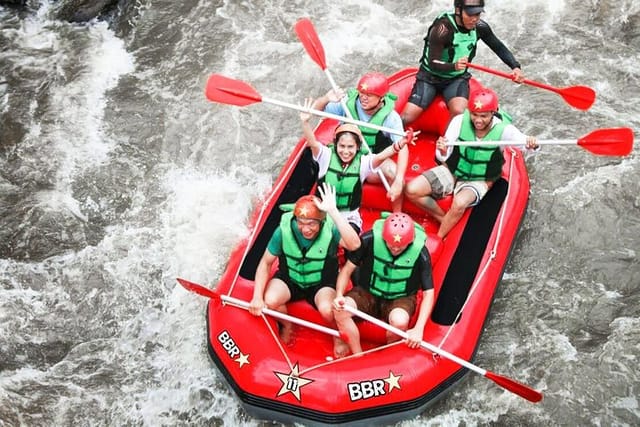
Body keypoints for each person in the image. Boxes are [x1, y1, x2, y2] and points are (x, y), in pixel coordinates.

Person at [404, 88, 538, 239]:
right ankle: (443, 218)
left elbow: (527, 146)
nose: (478, 120)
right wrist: (442, 150)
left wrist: (532, 144)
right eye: (474, 114)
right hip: (453, 170)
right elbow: (443, 155)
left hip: (479, 178)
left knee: (460, 203)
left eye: (483, 116)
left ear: (493, 113)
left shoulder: (505, 131)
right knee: (412, 190)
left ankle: (439, 237)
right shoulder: (459, 121)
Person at [249, 182, 360, 358]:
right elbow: (265, 263)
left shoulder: (330, 228)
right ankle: (287, 325)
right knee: (269, 300)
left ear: (321, 221)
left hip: (322, 283)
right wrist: (256, 297)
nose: (305, 229)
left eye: (311, 224)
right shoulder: (283, 231)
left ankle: (336, 335)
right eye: (301, 222)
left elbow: (354, 245)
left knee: (326, 309)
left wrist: (333, 211)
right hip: (289, 278)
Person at [401, 0, 524, 125]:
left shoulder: (480, 27)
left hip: (456, 78)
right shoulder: (442, 29)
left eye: (477, 15)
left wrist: (515, 66)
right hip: (429, 77)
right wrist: (454, 66)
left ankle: (451, 143)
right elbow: (433, 62)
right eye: (470, 15)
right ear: (458, 11)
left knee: (459, 112)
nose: (474, 19)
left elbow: (498, 47)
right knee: (408, 117)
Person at [300, 98, 412, 233]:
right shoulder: (325, 155)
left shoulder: (363, 162)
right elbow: (312, 142)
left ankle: (396, 213)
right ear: (335, 144)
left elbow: (383, 155)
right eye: (342, 146)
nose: (345, 152)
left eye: (350, 147)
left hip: (348, 215)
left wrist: (401, 143)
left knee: (353, 244)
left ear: (358, 147)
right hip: (324, 209)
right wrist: (305, 122)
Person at [333, 212, 435, 356]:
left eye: (401, 246)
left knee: (399, 321)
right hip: (368, 291)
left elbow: (428, 293)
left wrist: (419, 328)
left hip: (400, 297)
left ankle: (389, 354)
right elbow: (347, 269)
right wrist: (339, 295)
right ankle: (358, 354)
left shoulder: (421, 254)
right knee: (340, 310)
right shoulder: (369, 240)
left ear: (410, 241)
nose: (395, 249)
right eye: (391, 244)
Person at [312, 72, 409, 212]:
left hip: (372, 160)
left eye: (369, 95)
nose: (363, 98)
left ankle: (397, 213)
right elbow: (315, 111)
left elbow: (403, 148)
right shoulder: (347, 104)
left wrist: (399, 180)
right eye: (362, 93)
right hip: (344, 154)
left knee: (394, 174)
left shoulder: (390, 118)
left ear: (381, 98)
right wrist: (327, 98)